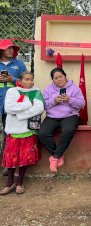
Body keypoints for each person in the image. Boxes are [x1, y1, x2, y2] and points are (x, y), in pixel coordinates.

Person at [0, 72, 44, 195]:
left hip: (28, 130)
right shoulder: (12, 91)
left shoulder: (36, 92)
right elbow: (8, 108)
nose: (30, 82)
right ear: (20, 80)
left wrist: (19, 114)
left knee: (24, 158)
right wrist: (29, 103)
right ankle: (9, 184)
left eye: (31, 79)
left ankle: (20, 183)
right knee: (11, 158)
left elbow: (39, 108)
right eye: (27, 79)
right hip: (13, 130)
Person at [38, 68, 85, 173]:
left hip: (70, 115)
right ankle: (58, 155)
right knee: (42, 133)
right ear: (53, 80)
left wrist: (70, 100)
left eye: (61, 77)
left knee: (68, 130)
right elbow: (43, 105)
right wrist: (54, 101)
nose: (59, 79)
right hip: (52, 116)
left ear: (65, 76)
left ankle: (54, 158)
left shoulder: (74, 88)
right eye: (56, 78)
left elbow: (82, 104)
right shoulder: (48, 89)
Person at [0, 39, 27, 176]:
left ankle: (6, 163)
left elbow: (27, 83)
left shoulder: (19, 64)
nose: (11, 50)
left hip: (11, 104)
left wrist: (13, 80)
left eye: (12, 48)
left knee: (8, 132)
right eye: (8, 48)